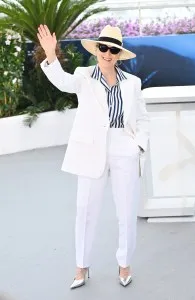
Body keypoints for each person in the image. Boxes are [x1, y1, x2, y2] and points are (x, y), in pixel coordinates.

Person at [37, 24, 149, 289]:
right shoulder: (83, 76)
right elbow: (62, 82)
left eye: (113, 49)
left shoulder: (132, 83)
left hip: (124, 146)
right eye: (103, 48)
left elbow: (143, 118)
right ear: (96, 49)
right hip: (91, 149)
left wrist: (138, 146)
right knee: (85, 211)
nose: (107, 54)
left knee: (126, 209)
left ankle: (124, 264)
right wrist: (51, 55)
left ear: (119, 54)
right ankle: (81, 266)